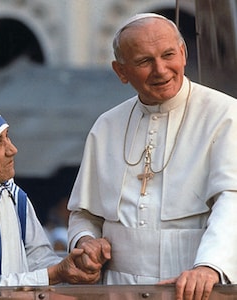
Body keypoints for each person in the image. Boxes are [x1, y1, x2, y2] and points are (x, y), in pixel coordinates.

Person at [67, 12, 237, 300]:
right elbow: (84, 213)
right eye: (144, 61)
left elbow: (232, 199)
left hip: (193, 285)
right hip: (118, 289)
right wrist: (86, 242)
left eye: (168, 54)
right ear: (121, 72)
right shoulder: (106, 125)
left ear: (183, 54)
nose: (161, 70)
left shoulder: (225, 114)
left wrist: (210, 267)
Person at [0, 105, 100, 287]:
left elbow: (38, 259)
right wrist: (53, 274)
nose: (12, 149)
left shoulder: (12, 196)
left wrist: (76, 265)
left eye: (7, 136)